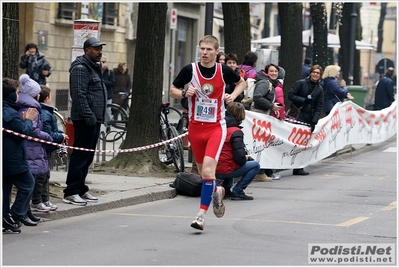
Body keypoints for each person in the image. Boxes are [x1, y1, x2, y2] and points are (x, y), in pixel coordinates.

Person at [170, 35, 245, 231]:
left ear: (216, 52)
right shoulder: (190, 70)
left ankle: (201, 216)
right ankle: (218, 190)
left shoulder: (223, 70)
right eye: (202, 49)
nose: (204, 52)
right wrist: (184, 93)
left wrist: (232, 96)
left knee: (206, 171)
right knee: (206, 177)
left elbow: (242, 83)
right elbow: (172, 90)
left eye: (209, 50)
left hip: (215, 128)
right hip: (195, 128)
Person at [63, 37, 107, 206]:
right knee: (80, 156)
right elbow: (78, 95)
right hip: (85, 120)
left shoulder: (93, 68)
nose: (99, 51)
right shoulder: (80, 68)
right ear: (87, 50)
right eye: (96, 49)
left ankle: (81, 188)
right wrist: (89, 116)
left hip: (94, 119)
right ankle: (71, 191)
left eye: (100, 48)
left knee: (88, 157)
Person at [17, 74, 54, 225]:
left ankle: (27, 211)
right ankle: (22, 211)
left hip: (34, 149)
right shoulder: (31, 108)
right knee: (30, 182)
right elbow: (32, 129)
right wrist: (47, 136)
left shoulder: (30, 106)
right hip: (31, 149)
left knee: (32, 181)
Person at [3, 78, 38, 233]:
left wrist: (23, 121)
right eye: (16, 93)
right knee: (28, 184)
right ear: (10, 96)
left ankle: (4, 218)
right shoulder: (9, 112)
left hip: (6, 158)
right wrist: (29, 121)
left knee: (5, 189)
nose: (18, 96)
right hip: (13, 158)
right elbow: (22, 133)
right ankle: (15, 215)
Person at [215, 102, 260, 200]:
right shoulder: (236, 132)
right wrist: (245, 157)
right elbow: (239, 157)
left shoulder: (218, 127)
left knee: (228, 159)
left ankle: (226, 190)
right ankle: (238, 190)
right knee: (255, 165)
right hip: (225, 169)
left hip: (213, 167)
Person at [288, 65, 324, 176]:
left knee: (304, 143)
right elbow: (290, 95)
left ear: (320, 75)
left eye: (318, 73)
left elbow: (319, 106)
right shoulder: (300, 83)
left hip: (309, 119)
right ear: (310, 72)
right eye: (314, 72)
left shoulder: (320, 89)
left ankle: (299, 167)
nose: (315, 74)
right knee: (293, 142)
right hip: (297, 117)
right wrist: (303, 100)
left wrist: (314, 121)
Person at [38, 85, 69, 212]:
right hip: (44, 149)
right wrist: (61, 136)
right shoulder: (46, 114)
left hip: (47, 148)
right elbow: (48, 133)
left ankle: (45, 199)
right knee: (42, 176)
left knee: (46, 175)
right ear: (46, 99)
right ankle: (39, 201)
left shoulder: (46, 112)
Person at [250, 63, 283, 182]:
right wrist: (271, 106)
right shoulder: (265, 82)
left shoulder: (270, 83)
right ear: (266, 72)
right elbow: (257, 97)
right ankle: (259, 172)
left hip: (264, 115)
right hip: (259, 116)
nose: (274, 73)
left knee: (262, 144)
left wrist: (273, 108)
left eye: (276, 71)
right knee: (259, 145)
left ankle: (260, 171)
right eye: (271, 71)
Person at [100, 56, 116, 132]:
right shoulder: (97, 71)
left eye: (104, 62)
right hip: (99, 94)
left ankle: (108, 125)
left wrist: (103, 82)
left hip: (108, 95)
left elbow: (113, 83)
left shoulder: (109, 72)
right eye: (101, 62)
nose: (102, 64)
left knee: (107, 110)